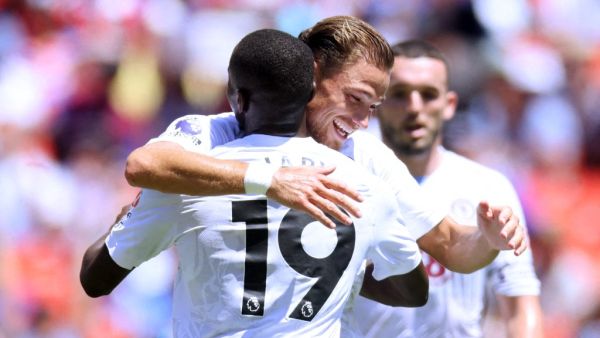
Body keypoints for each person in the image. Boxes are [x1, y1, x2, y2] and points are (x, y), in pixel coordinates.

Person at [80, 29, 428, 337]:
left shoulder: (186, 179)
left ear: (239, 99)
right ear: (310, 90)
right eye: (356, 99)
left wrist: (121, 221)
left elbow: (95, 279)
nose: (364, 121)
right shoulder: (366, 187)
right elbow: (413, 291)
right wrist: (338, 267)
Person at [123, 15, 527, 275]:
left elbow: (451, 245)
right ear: (311, 73)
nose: (364, 121)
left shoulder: (366, 156)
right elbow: (143, 164)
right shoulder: (222, 130)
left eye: (373, 106)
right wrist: (271, 180)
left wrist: (488, 239)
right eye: (354, 99)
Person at [348, 40, 543, 337]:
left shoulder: (488, 187)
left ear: (449, 104)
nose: (415, 107)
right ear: (377, 104)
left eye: (428, 95)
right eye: (400, 94)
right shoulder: (348, 181)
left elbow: (520, 305)